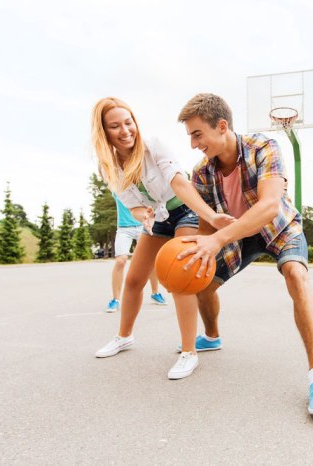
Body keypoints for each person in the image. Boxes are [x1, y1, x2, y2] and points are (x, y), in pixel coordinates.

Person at [175, 93, 313, 418]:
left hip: (276, 226)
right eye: (190, 136)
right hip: (236, 233)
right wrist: (201, 251)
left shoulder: (264, 147)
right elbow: (208, 224)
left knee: (296, 275)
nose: (194, 144)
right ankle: (211, 336)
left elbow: (268, 206)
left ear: (221, 126)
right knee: (201, 282)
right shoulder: (202, 173)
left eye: (197, 134)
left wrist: (219, 237)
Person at [91, 97, 234, 379]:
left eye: (128, 122)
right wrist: (141, 214)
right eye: (115, 126)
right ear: (104, 132)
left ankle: (189, 352)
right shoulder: (107, 166)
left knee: (181, 277)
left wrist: (211, 216)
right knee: (133, 280)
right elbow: (130, 203)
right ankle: (124, 336)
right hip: (158, 218)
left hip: (186, 212)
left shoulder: (153, 145)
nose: (125, 130)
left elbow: (178, 182)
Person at [105, 194, 167, 313]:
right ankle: (115, 300)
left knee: (151, 260)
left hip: (142, 225)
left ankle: (155, 293)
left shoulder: (140, 186)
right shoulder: (116, 187)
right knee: (120, 260)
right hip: (124, 229)